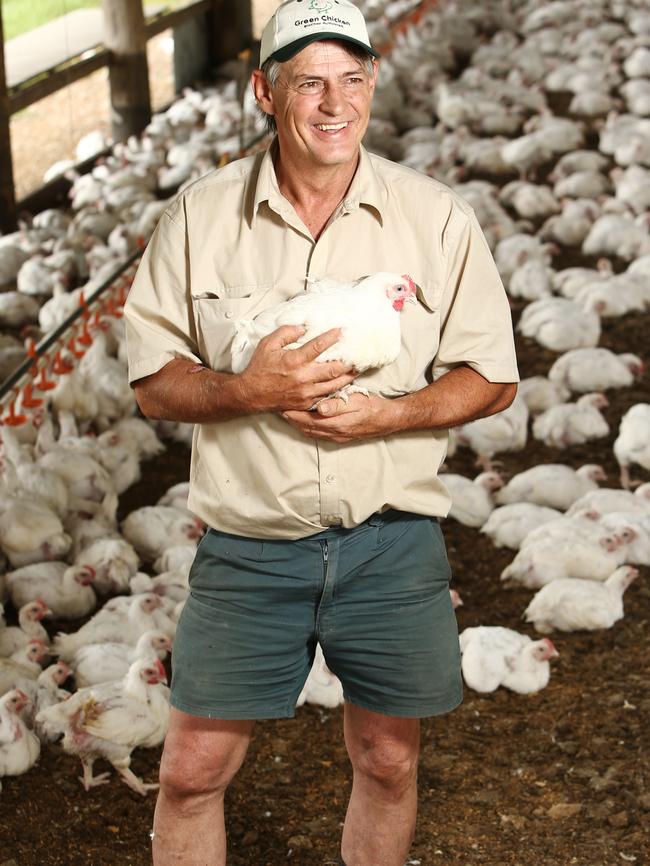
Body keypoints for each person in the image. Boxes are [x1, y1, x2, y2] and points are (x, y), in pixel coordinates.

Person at [123, 1, 519, 863]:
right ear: (266, 92)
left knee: (386, 758)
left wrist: (393, 413)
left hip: (390, 539)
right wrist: (247, 388)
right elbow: (153, 384)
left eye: (351, 78)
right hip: (250, 543)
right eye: (309, 82)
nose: (334, 104)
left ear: (373, 82)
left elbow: (492, 376)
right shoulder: (199, 218)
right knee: (191, 770)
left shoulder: (434, 218)